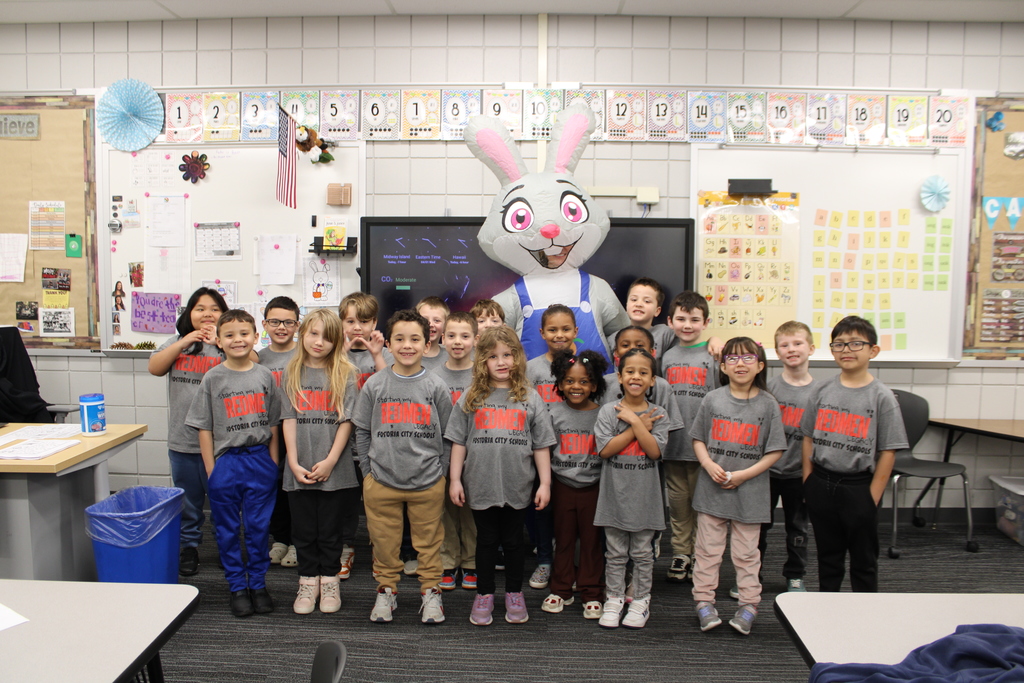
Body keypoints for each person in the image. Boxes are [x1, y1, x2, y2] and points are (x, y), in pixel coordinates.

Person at [446, 326, 556, 626]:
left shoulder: (530, 398)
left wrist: (545, 483)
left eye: (508, 355)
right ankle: (484, 595)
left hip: (517, 483)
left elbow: (542, 445)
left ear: (518, 358)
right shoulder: (470, 396)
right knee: (486, 541)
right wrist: (455, 479)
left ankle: (513, 594)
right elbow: (458, 441)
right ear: (482, 360)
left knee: (513, 542)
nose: (501, 361)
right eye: (493, 356)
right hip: (479, 483)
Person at [352, 309, 454, 624]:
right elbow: (362, 432)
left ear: (427, 344)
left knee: (429, 541)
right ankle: (386, 592)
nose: (406, 345)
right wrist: (368, 475)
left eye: (415, 339)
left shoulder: (436, 386)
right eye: (399, 339)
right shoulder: (374, 385)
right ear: (389, 344)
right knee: (384, 543)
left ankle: (430, 593)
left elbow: (450, 435)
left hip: (427, 481)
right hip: (382, 481)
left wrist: (443, 473)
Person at [185, 309, 282, 618]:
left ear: (256, 337)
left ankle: (258, 584)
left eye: (244, 334)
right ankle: (237, 587)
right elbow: (204, 427)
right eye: (230, 335)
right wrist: (212, 469)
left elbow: (275, 423)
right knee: (227, 529)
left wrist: (273, 462)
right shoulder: (213, 378)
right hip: (226, 463)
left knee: (257, 528)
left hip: (259, 460)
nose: (238, 340)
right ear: (218, 341)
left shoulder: (264, 375)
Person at [801, 315, 908, 593]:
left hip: (859, 487)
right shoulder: (821, 390)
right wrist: (808, 480)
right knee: (828, 557)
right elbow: (808, 437)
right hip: (822, 483)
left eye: (855, 343)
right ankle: (828, 610)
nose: (846, 350)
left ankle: (865, 616)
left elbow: (888, 451)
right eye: (839, 344)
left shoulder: (881, 396)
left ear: (873, 350)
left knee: (863, 560)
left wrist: (872, 497)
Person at [689, 337, 786, 636]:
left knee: (746, 554)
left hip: (751, 493)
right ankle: (704, 602)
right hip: (712, 490)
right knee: (707, 551)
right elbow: (699, 439)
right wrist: (707, 464)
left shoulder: (768, 404)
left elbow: (775, 451)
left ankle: (749, 605)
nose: (740, 364)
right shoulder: (713, 399)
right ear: (722, 366)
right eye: (732, 358)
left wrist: (744, 475)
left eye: (748, 358)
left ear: (760, 365)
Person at [279, 309, 358, 615]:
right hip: (298, 468)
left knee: (329, 531)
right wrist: (294, 463)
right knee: (303, 532)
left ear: (336, 340)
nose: (319, 342)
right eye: (313, 333)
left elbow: (347, 422)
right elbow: (288, 420)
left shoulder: (346, 373)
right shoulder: (291, 371)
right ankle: (307, 582)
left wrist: (330, 461)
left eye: (327, 336)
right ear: (303, 334)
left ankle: (329, 583)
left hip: (334, 470)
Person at [147, 287, 228, 577]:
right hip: (182, 441)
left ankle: (226, 547)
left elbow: (254, 363)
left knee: (222, 500)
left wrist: (222, 341)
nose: (207, 313)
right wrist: (184, 342)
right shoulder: (176, 343)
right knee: (188, 502)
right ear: (189, 314)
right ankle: (189, 547)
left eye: (215, 309)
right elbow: (154, 368)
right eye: (199, 308)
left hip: (221, 444)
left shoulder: (226, 344)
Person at [594, 348, 669, 630]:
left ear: (652, 380)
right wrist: (636, 427)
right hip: (614, 495)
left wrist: (637, 420)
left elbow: (653, 452)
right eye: (630, 372)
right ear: (620, 377)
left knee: (642, 553)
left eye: (643, 373)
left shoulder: (659, 414)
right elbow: (605, 450)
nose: (636, 377)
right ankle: (613, 597)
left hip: (646, 498)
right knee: (614, 552)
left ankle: (639, 599)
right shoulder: (607, 411)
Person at [660, 291, 721, 584]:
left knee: (703, 504)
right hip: (673, 445)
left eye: (694, 320)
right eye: (681, 319)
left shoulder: (713, 354)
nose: (687, 325)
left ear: (706, 322)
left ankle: (701, 554)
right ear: (670, 321)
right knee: (678, 504)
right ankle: (681, 552)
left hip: (704, 447)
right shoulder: (667, 357)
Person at [543, 349, 608, 619]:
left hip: (595, 486)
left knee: (593, 542)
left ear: (594, 385)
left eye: (584, 381)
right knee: (564, 538)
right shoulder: (552, 412)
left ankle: (591, 591)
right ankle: (560, 588)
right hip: (562, 485)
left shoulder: (604, 414)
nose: (576, 387)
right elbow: (544, 450)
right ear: (559, 384)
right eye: (569, 380)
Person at [522, 303, 578, 590]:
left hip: (574, 453)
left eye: (566, 329)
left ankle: (570, 560)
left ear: (576, 332)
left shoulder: (583, 367)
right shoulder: (530, 369)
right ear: (542, 333)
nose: (559, 335)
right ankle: (544, 559)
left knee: (571, 509)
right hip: (538, 452)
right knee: (540, 509)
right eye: (553, 330)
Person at [759, 321, 816, 593]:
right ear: (777, 352)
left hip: (799, 474)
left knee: (797, 529)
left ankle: (795, 574)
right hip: (766, 473)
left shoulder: (819, 393)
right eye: (785, 345)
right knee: (758, 528)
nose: (791, 349)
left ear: (811, 348)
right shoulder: (768, 390)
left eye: (797, 343)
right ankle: (751, 576)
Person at [431, 312, 479, 591]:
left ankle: (471, 562)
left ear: (475, 339)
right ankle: (448, 560)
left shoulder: (482, 376)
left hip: (474, 457)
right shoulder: (433, 376)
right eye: (451, 335)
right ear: (442, 338)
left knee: (471, 511)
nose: (457, 342)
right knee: (443, 512)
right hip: (440, 457)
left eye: (464, 336)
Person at [258, 296, 300, 569]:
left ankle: (298, 540)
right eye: (275, 321)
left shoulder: (305, 353)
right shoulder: (257, 358)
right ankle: (281, 539)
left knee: (297, 488)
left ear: (297, 325)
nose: (281, 327)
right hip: (268, 432)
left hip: (299, 430)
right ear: (264, 324)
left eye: (288, 322)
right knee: (273, 486)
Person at [606, 277, 675, 358]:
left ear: (657, 311)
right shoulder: (613, 338)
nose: (638, 304)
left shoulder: (665, 334)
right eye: (634, 299)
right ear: (626, 306)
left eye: (647, 301)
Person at [340, 291, 390, 390]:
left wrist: (377, 356)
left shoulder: (386, 355)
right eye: (350, 321)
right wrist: (340, 355)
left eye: (364, 321)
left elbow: (388, 387)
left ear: (374, 323)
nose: (357, 327)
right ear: (341, 322)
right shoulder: (334, 355)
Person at [416, 296, 450, 372]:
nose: (430, 324)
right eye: (425, 320)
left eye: (437, 320)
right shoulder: (406, 353)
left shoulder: (451, 356)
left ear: (446, 325)